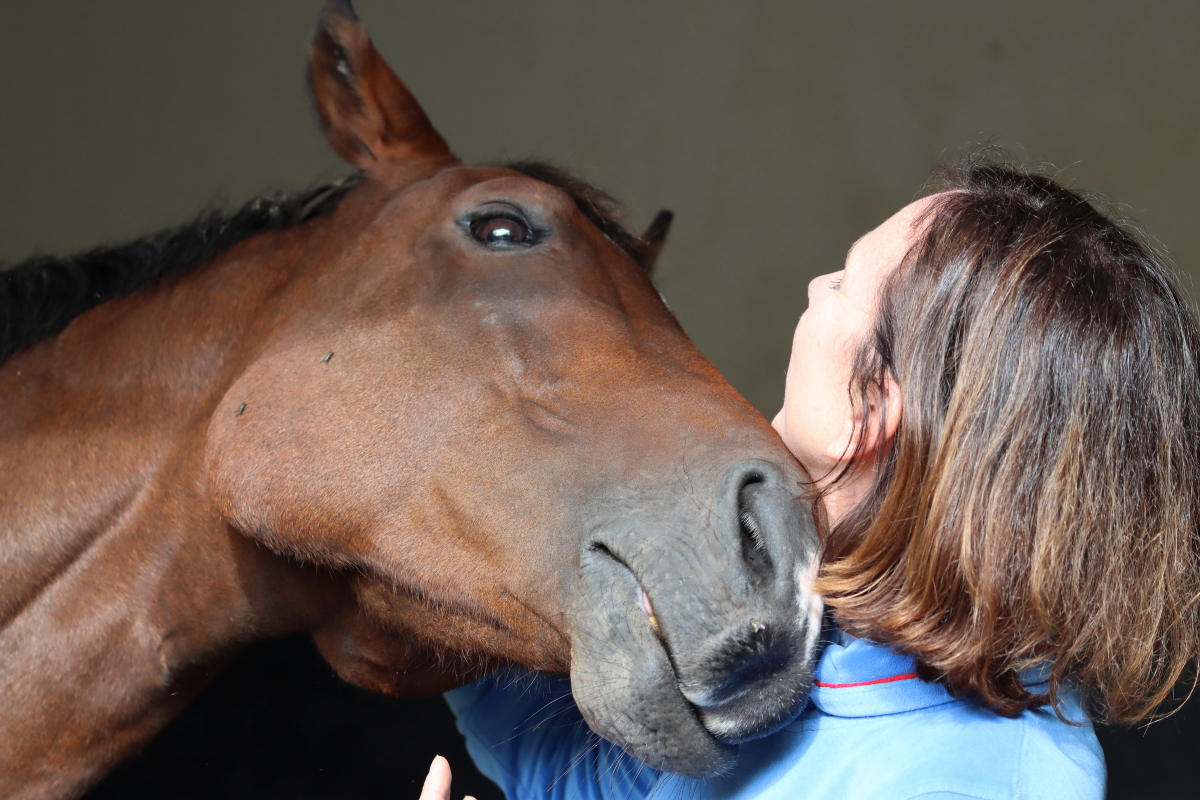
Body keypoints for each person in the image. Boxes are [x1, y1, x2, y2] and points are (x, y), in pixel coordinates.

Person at [423, 156, 1200, 799]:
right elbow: (581, 778)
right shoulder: (827, 642)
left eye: (843, 283)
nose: (812, 286)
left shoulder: (975, 783)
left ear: (872, 406)